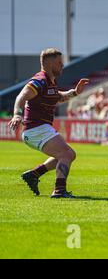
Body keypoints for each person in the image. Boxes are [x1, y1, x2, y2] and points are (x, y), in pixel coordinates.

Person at [8, 48, 89, 198]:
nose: (62, 65)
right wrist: (17, 115)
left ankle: (34, 174)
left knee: (66, 155)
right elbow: (21, 97)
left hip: (38, 129)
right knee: (67, 154)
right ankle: (59, 191)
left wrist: (75, 92)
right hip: (36, 128)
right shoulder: (40, 80)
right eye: (59, 62)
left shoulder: (50, 82)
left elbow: (59, 96)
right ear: (49, 63)